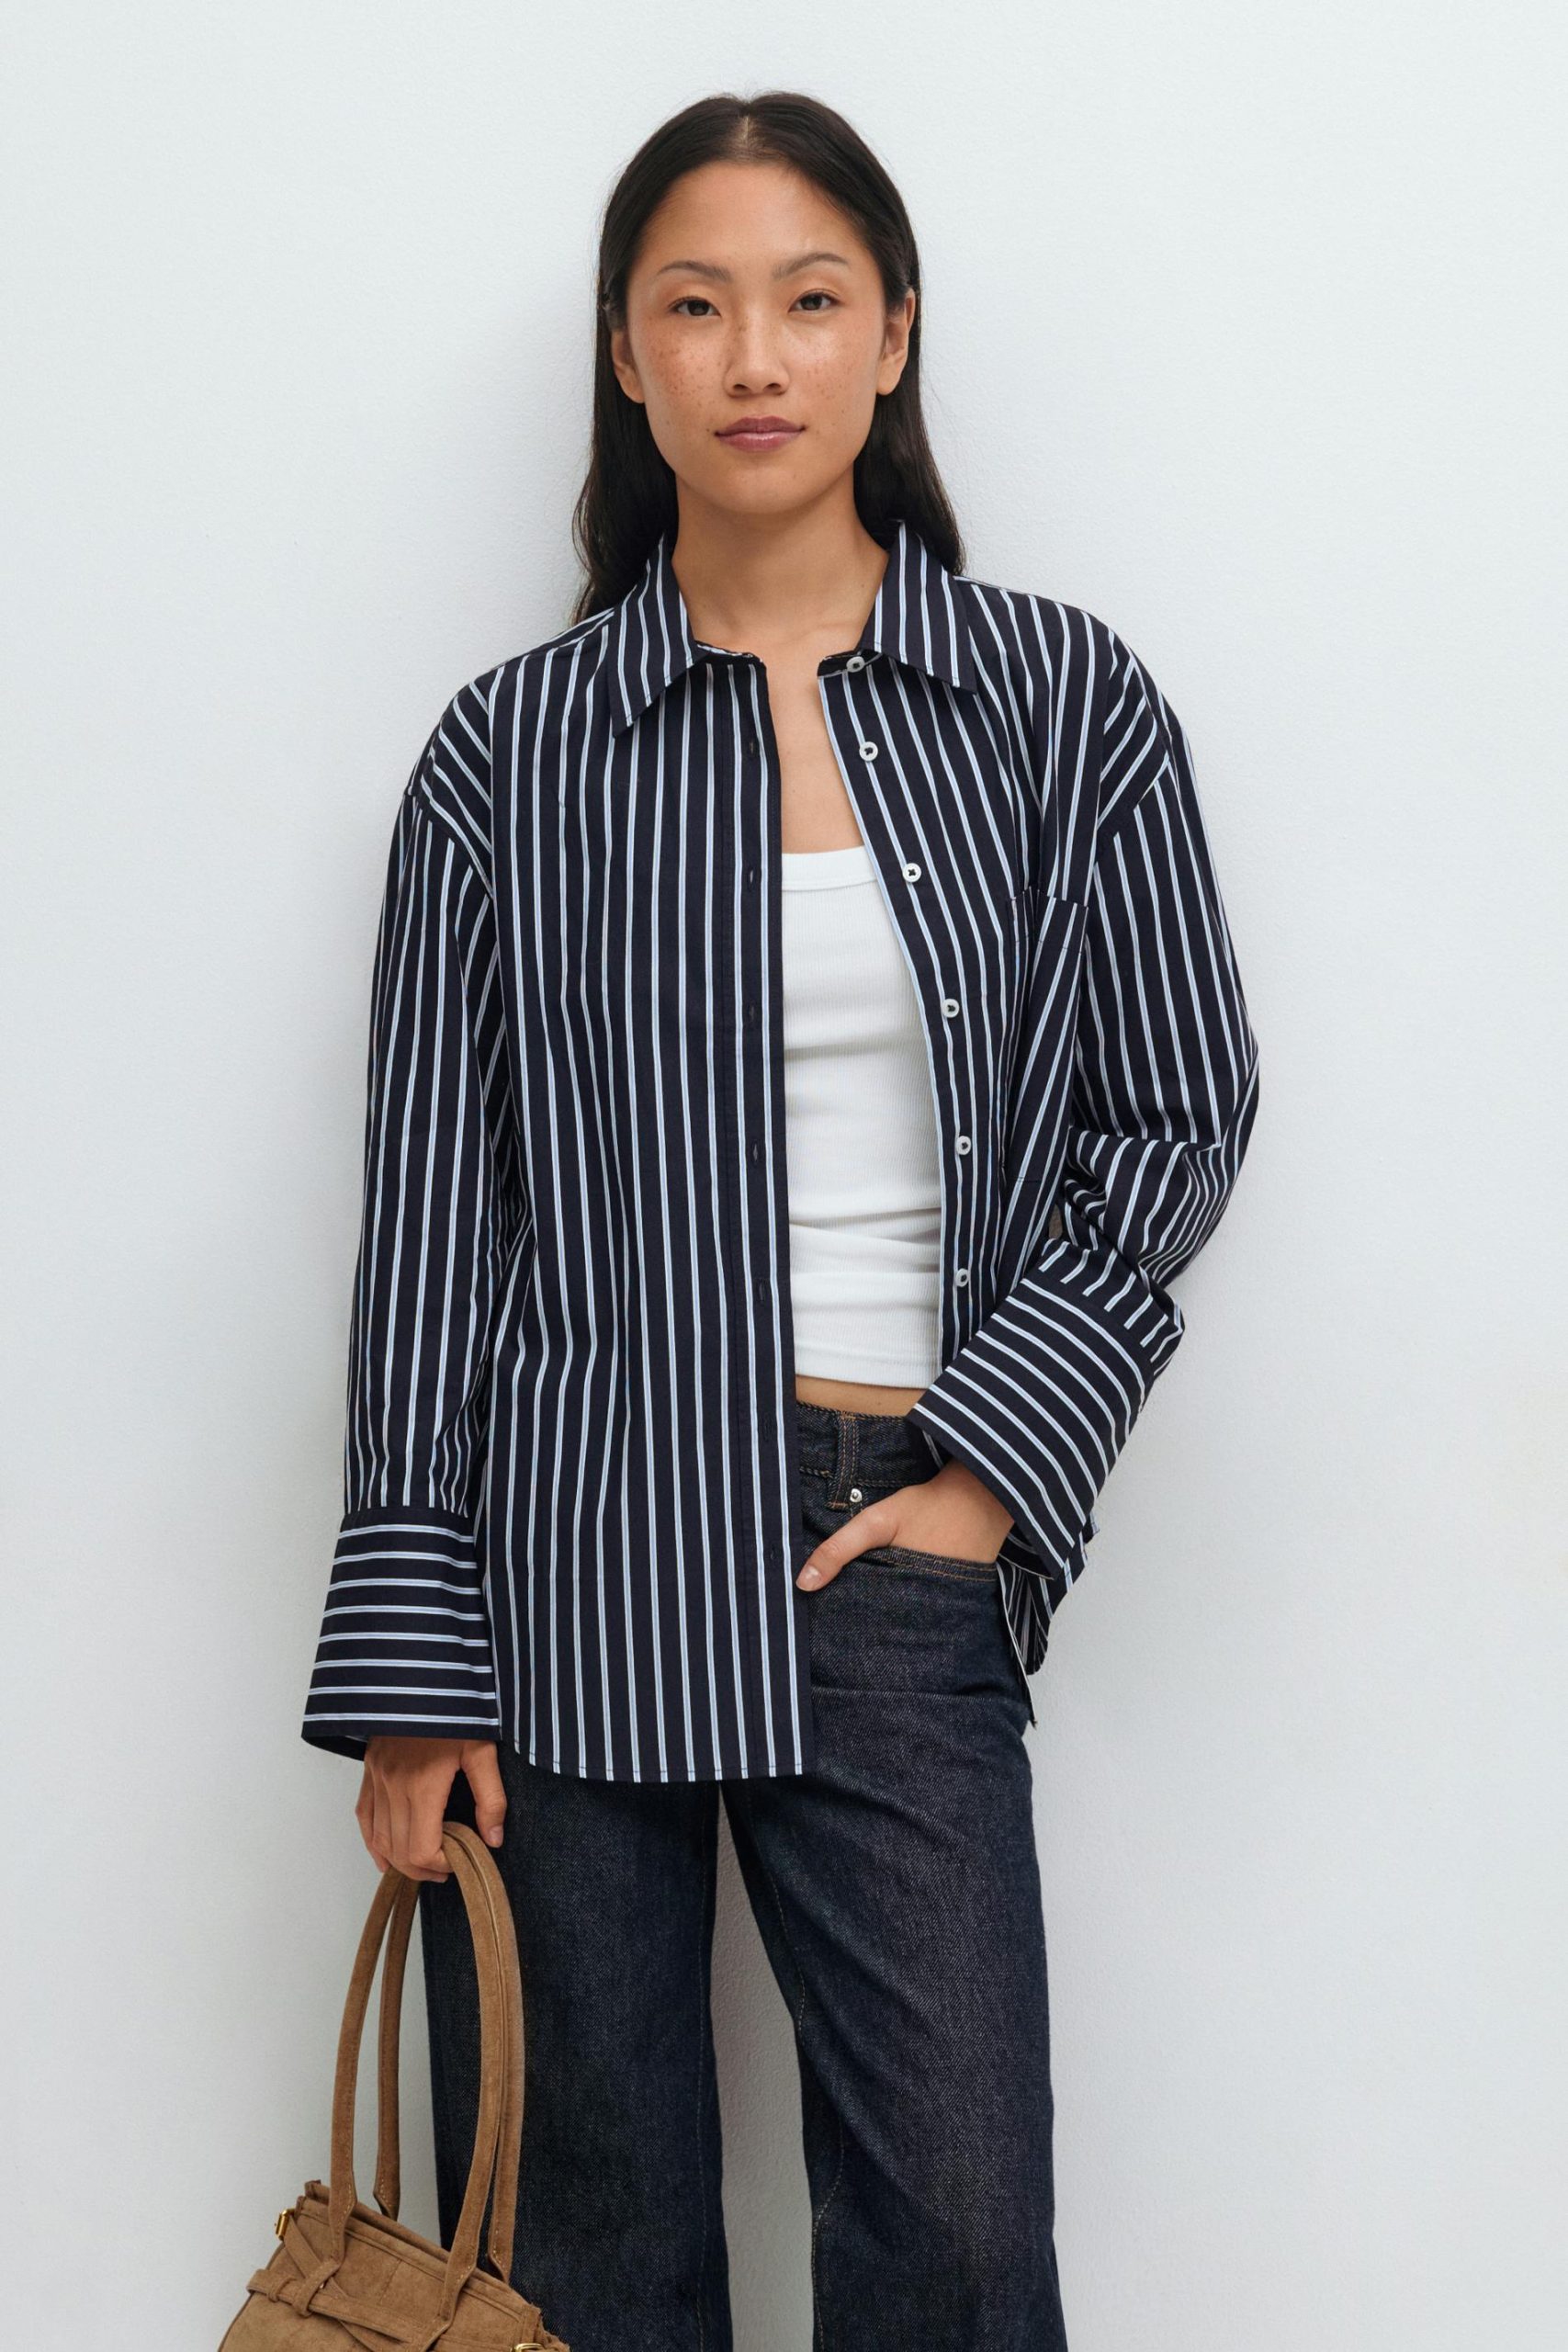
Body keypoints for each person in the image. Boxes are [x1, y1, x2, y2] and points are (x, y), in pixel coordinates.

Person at [299, 88, 1260, 2352]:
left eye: (809, 299)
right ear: (625, 354)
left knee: (957, 2240)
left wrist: (990, 1465)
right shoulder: (508, 757)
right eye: (695, 304)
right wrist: (415, 1667)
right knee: (584, 2256)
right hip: (565, 1562)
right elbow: (433, 1210)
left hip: (891, 1545)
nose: (755, 355)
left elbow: (1172, 1107)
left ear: (891, 335)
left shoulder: (1061, 706)